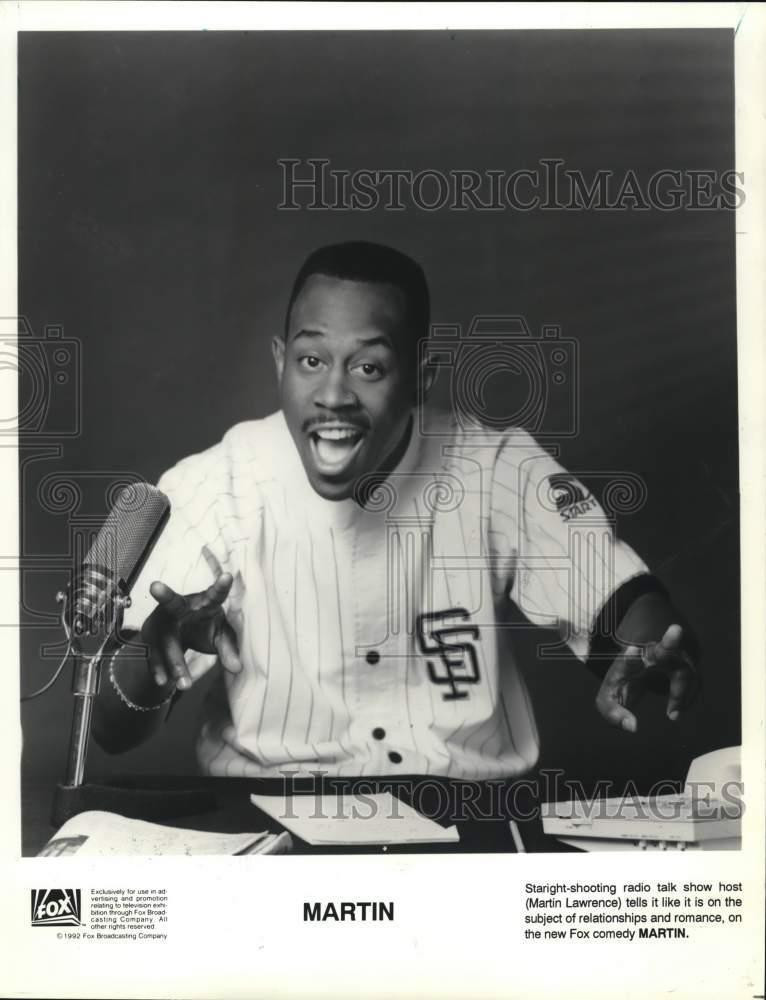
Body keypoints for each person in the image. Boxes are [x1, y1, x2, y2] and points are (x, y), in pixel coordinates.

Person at [94, 241, 698, 786]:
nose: (333, 395)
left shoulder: (494, 468)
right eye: (311, 360)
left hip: (468, 820)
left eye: (369, 367)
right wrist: (151, 654)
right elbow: (110, 729)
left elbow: (626, 604)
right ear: (280, 361)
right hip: (268, 815)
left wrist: (652, 650)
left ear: (420, 377)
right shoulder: (217, 484)